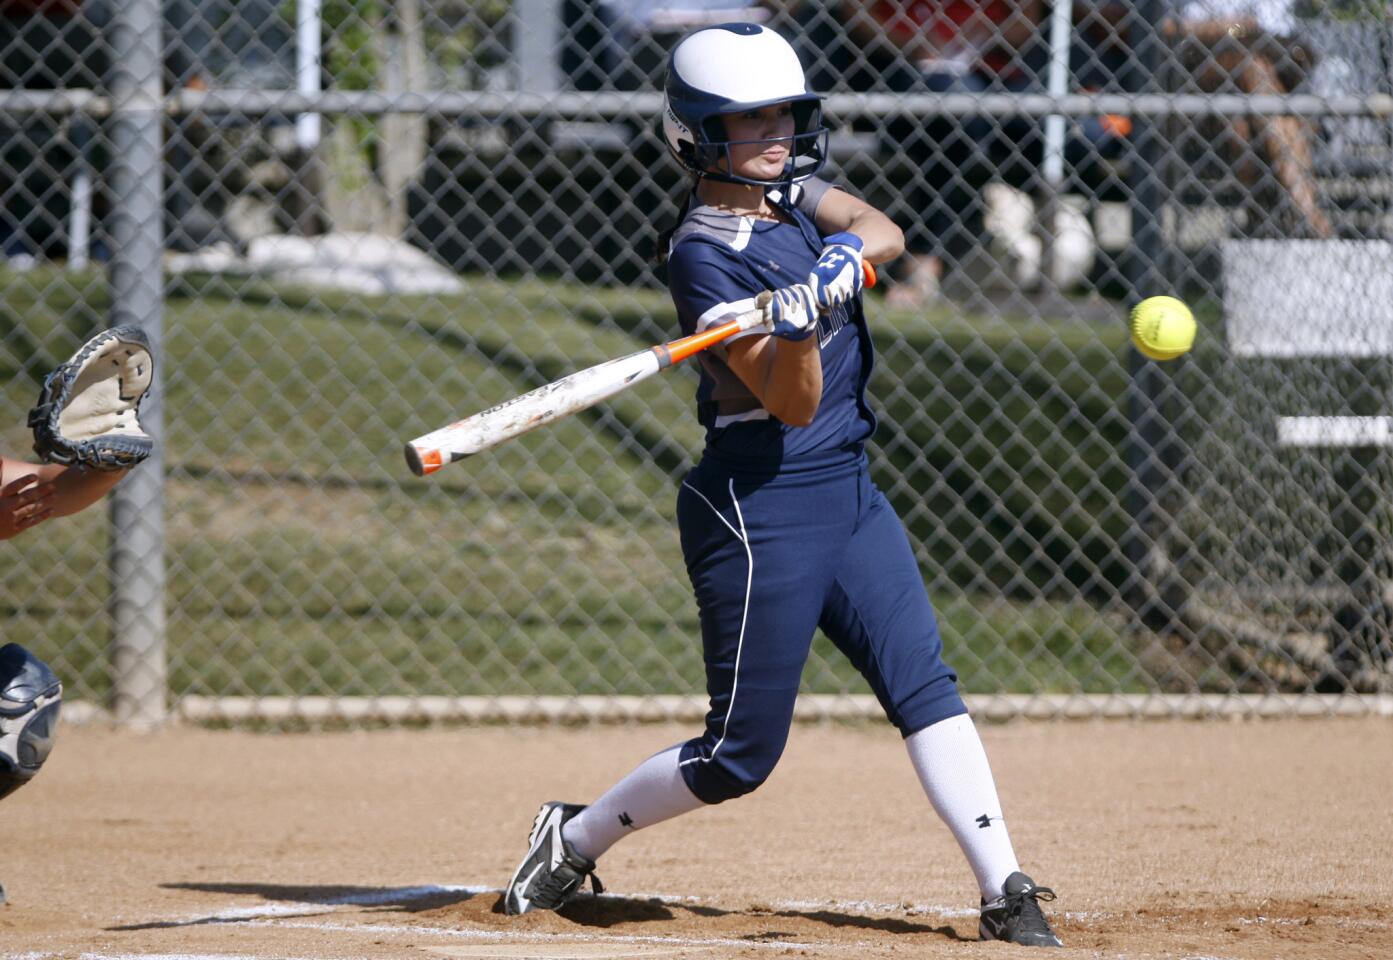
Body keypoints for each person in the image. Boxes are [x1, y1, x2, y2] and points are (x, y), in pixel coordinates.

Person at [503, 23, 1063, 948]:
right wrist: (795, 328)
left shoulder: (788, 193)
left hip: (847, 488)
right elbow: (791, 402)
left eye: (784, 115)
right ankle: (572, 836)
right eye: (748, 119)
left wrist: (841, 263)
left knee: (924, 686)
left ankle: (1005, 886)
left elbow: (879, 227)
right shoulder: (701, 255)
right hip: (758, 508)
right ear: (695, 136)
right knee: (738, 756)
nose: (774, 133)